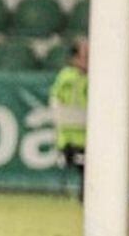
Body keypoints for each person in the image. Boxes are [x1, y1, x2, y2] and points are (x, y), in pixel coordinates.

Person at [50, 39, 88, 201]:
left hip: (88, 136)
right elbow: (55, 100)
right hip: (68, 135)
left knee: (88, 170)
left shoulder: (96, 78)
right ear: (74, 58)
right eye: (84, 56)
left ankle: (84, 196)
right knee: (74, 165)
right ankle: (65, 193)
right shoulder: (65, 76)